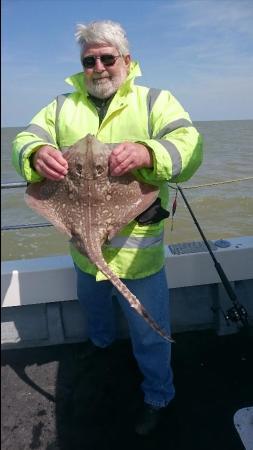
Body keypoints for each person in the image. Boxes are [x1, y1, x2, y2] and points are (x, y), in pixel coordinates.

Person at [12, 20, 203, 435]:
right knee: (95, 311)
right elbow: (25, 137)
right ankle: (100, 350)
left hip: (138, 249)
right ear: (82, 65)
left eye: (106, 58)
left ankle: (158, 394)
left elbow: (190, 145)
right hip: (82, 246)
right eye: (89, 60)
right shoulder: (61, 106)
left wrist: (149, 151)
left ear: (126, 60)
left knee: (149, 332)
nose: (98, 67)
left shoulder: (155, 101)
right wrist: (37, 152)